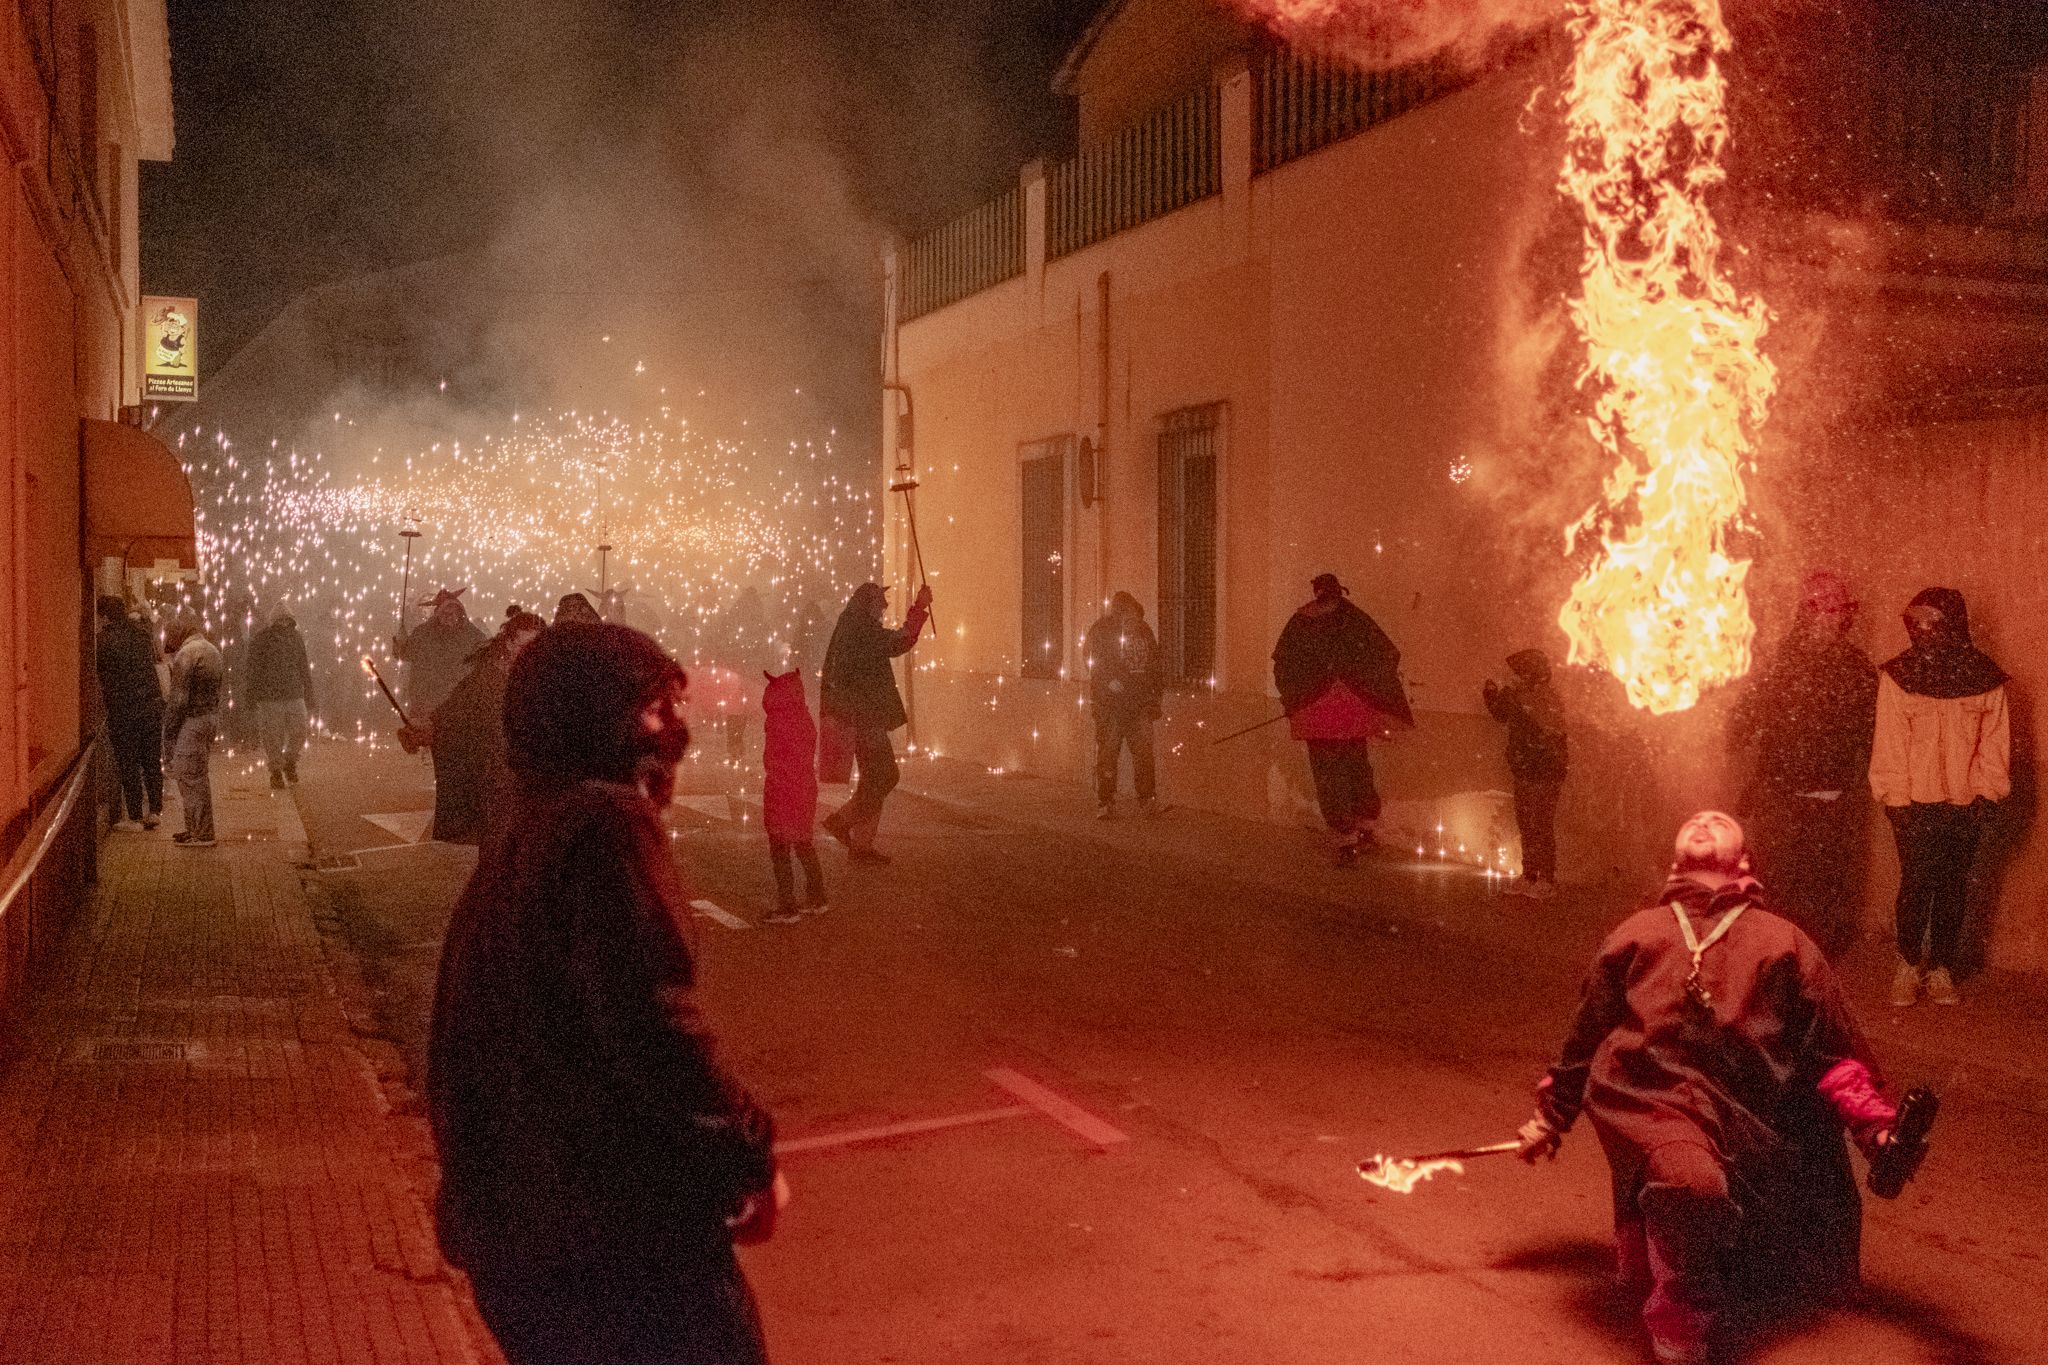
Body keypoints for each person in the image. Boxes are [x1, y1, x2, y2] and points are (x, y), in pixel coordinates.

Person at [427, 622, 783, 1365]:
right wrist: (747, 1152)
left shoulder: (524, 832)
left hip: (527, 1246)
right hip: (614, 1248)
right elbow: (655, 1022)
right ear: (594, 721)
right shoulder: (602, 824)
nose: (678, 733)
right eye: (655, 709)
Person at [1516, 811, 1908, 1365]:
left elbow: (1833, 1051)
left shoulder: (1784, 942)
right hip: (1648, 1098)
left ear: (1743, 859)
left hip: (1743, 1108)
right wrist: (1552, 1116)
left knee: (1760, 1255)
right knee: (1692, 1184)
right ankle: (1680, 1317)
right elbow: (1585, 1032)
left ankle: (1681, 1241)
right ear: (1676, 857)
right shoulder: (1639, 930)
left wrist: (1878, 1131)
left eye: (1719, 821)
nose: (1704, 821)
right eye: (1693, 820)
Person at [1869, 587, 2010, 1008]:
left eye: (1931, 622)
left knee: (1953, 887)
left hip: (1966, 803)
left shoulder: (1984, 677)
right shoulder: (1900, 677)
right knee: (1916, 884)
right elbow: (1890, 742)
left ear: (1952, 624)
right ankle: (1909, 963)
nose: (1921, 631)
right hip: (1914, 803)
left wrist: (1986, 793)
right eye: (1916, 623)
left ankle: (1942, 967)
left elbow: (1994, 743)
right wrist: (1895, 801)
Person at [1725, 571, 1877, 955]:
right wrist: (1732, 732)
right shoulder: (1782, 661)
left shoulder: (1856, 667)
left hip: (1831, 791)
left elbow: (1869, 727)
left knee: (1823, 877)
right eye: (1828, 611)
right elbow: (1750, 711)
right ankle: (1780, 951)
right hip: (1781, 789)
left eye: (1840, 612)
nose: (1836, 620)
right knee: (1779, 877)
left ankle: (1812, 953)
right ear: (1808, 614)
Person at [1272, 573, 1412, 865]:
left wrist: (1295, 697)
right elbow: (1386, 653)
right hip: (1351, 711)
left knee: (1329, 774)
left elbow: (1283, 665)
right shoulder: (1353, 618)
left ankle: (1345, 840)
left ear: (1316, 592)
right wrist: (1362, 680)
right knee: (1357, 766)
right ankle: (1365, 828)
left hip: (1317, 713)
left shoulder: (1300, 623)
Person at [401, 611, 546, 845]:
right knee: (498, 847)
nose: (529, 652)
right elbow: (454, 714)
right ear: (509, 643)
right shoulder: (486, 679)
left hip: (532, 782)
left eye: (536, 645)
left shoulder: (545, 678)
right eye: (523, 644)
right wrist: (426, 729)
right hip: (496, 779)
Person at [819, 581, 932, 863]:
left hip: (859, 714)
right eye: (879, 604)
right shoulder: (860, 629)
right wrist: (918, 608)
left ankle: (862, 846)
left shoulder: (851, 624)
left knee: (873, 779)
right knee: (885, 776)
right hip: (864, 716)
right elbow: (897, 642)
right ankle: (843, 821)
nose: (882, 609)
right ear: (868, 603)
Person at [1483, 649, 1568, 898]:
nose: (1516, 677)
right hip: (1536, 768)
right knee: (1532, 824)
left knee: (1537, 824)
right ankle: (1532, 877)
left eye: (1520, 673)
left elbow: (1501, 713)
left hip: (1539, 769)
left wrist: (1492, 693)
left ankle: (1544, 879)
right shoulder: (1545, 697)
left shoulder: (1530, 697)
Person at [1084, 592, 1164, 819]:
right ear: (1118, 615)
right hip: (1110, 706)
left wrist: (1155, 696)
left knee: (1144, 753)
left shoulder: (1144, 632)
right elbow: (1090, 660)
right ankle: (1106, 801)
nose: (1132, 622)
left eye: (1135, 617)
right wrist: (1108, 682)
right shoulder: (1102, 631)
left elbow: (1155, 665)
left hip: (1139, 704)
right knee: (1108, 753)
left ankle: (1147, 800)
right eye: (1126, 617)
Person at [760, 670, 827, 925]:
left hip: (783, 788)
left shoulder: (778, 721)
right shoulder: (802, 716)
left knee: (779, 846)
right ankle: (818, 896)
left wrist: (776, 781)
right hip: (804, 787)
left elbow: (775, 759)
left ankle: (788, 906)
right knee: (802, 842)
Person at [96, 596, 166, 830]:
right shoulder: (141, 635)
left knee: (128, 763)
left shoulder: (104, 640)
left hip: (124, 710)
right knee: (151, 761)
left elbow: (104, 677)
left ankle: (135, 815)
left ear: (104, 616)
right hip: (150, 705)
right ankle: (155, 811)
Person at [162, 615, 225, 848]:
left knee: (189, 777)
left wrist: (168, 733)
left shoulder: (186, 655)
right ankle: (195, 829)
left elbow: (178, 701)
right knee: (198, 775)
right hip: (210, 718)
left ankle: (200, 832)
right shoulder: (211, 650)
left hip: (192, 721)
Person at [245, 604, 317, 789]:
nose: (284, 623)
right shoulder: (261, 639)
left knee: (300, 730)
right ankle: (276, 771)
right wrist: (251, 697)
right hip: (270, 697)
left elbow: (303, 667)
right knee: (272, 737)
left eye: (287, 620)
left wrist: (309, 695)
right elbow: (253, 670)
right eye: (281, 620)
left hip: (293, 693)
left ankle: (289, 761)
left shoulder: (296, 638)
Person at [395, 587, 486, 719]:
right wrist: (400, 643)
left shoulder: (472, 636)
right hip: (427, 703)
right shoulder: (423, 633)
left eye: (453, 613)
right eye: (445, 613)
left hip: (460, 704)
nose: (449, 617)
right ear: (438, 614)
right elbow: (405, 654)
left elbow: (486, 658)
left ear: (460, 613)